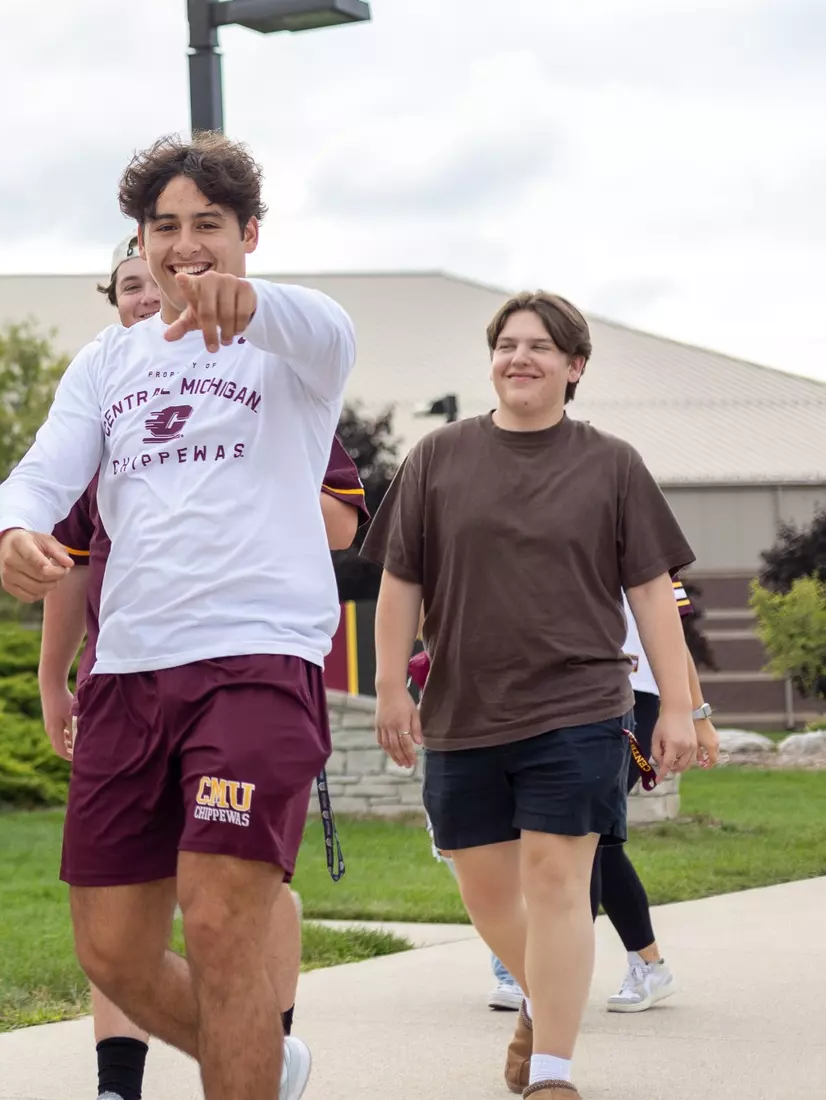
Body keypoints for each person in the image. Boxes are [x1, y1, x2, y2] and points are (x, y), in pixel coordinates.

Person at [0, 131, 356, 1100]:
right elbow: (42, 471)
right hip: (128, 674)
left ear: (250, 234)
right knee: (113, 950)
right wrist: (14, 531)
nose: (186, 245)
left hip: (254, 664)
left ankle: (246, 1072)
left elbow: (323, 327)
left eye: (209, 226)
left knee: (223, 916)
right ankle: (262, 1067)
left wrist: (253, 305)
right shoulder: (108, 361)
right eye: (166, 228)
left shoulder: (297, 346)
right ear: (140, 242)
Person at [363, 290, 696, 1100]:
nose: (520, 358)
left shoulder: (610, 463)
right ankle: (544, 1002)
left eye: (541, 347)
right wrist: (387, 687)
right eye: (507, 344)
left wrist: (682, 707)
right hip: (462, 708)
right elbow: (400, 581)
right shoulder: (439, 456)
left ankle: (552, 1071)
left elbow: (652, 592)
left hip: (579, 705)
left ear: (574, 366)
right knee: (484, 893)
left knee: (555, 878)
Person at [599, 584, 719, 1011]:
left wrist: (696, 717)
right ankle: (645, 964)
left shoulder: (642, 536)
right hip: (563, 692)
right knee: (577, 837)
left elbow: (674, 638)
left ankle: (647, 965)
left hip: (637, 696)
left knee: (587, 834)